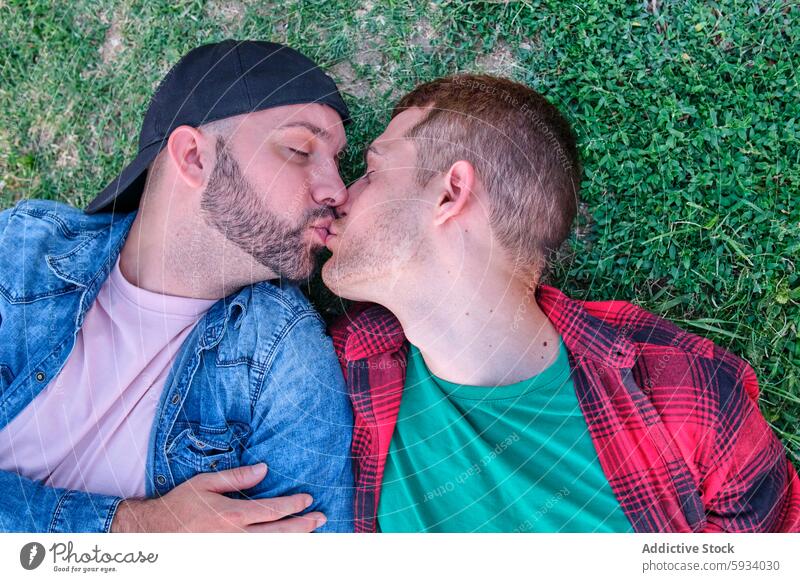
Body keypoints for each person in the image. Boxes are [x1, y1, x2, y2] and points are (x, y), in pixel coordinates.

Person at [322, 73, 800, 533]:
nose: (341, 195)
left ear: (450, 193)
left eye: (372, 171)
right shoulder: (319, 371)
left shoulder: (687, 393)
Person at [0, 40, 354, 533]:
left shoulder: (281, 357)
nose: (337, 191)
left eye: (337, 162)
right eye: (299, 149)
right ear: (193, 156)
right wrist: (134, 531)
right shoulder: (20, 255)